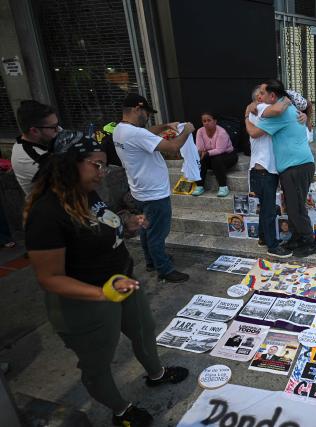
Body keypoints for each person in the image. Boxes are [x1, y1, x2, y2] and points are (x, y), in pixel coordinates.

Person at [24, 137, 188, 427]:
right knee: (97, 362)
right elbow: (49, 278)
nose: (102, 172)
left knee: (143, 330)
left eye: (103, 164)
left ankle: (156, 374)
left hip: (122, 282)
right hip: (86, 302)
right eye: (96, 165)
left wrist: (126, 226)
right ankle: (121, 410)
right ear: (69, 165)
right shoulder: (46, 213)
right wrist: (102, 293)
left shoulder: (86, 193)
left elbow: (100, 228)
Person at [113, 93, 193, 283]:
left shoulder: (120, 129)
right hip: (154, 193)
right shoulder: (136, 133)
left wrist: (165, 126)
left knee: (146, 229)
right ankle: (164, 270)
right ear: (137, 109)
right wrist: (187, 131)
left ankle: (151, 261)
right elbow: (173, 147)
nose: (148, 117)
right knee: (157, 233)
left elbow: (147, 133)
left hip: (139, 191)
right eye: (146, 112)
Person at [244, 79, 316, 257]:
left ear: (272, 96)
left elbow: (254, 133)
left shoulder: (279, 113)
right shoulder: (284, 108)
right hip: (294, 166)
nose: (259, 98)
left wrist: (246, 116)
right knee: (293, 205)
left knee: (296, 208)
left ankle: (310, 241)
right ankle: (297, 237)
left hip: (296, 166)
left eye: (262, 94)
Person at [12, 100, 59, 195]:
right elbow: (73, 180)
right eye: (54, 127)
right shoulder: (30, 159)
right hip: (51, 204)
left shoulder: (45, 134)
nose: (58, 130)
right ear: (34, 131)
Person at [192, 112, 238, 197]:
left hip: (228, 156)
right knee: (200, 159)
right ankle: (199, 186)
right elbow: (200, 149)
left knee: (216, 159)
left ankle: (223, 187)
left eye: (209, 120)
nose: (206, 123)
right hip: (211, 156)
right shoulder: (200, 131)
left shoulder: (221, 132)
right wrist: (201, 154)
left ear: (215, 121)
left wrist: (206, 153)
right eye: (204, 121)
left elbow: (220, 150)